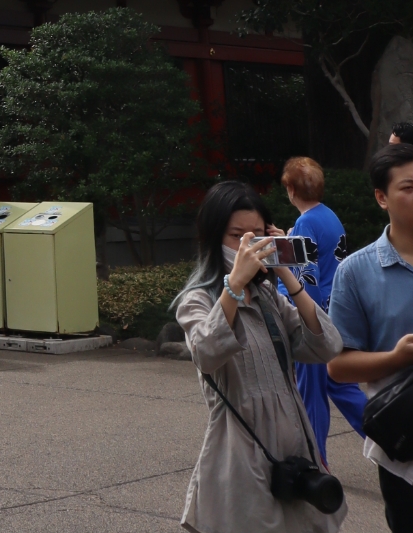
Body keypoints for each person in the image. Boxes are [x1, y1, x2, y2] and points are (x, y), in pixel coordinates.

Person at [174, 179, 345, 532]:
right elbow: (206, 353)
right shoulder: (198, 301)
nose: (248, 246)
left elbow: (326, 345)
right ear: (213, 237)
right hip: (241, 449)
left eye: (256, 235)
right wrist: (233, 285)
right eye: (237, 236)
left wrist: (284, 268)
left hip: (294, 443)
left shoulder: (268, 297)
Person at [329, 142, 413, 531]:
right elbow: (338, 366)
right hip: (404, 444)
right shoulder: (356, 272)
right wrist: (396, 358)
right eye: (410, 188)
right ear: (382, 197)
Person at [281, 155, 366, 463]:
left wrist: (300, 313)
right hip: (336, 309)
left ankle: (316, 459)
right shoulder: (328, 216)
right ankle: (388, 434)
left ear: (291, 189)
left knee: (311, 392)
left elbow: (306, 277)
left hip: (315, 316)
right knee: (340, 385)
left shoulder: (305, 222)